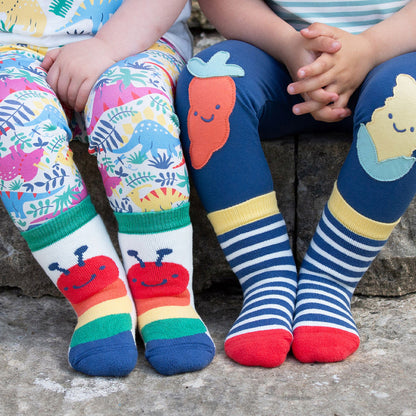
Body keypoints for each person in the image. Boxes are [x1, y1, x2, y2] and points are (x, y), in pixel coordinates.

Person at [175, 0, 416, 367]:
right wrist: (291, 47)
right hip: (277, 57)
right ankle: (266, 278)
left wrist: (368, 48)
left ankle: (330, 280)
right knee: (205, 82)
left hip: (394, 56)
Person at [0, 0, 215, 377]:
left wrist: (107, 47)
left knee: (134, 106)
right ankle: (99, 296)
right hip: (10, 49)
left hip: (137, 39)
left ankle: (164, 293)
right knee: (14, 128)